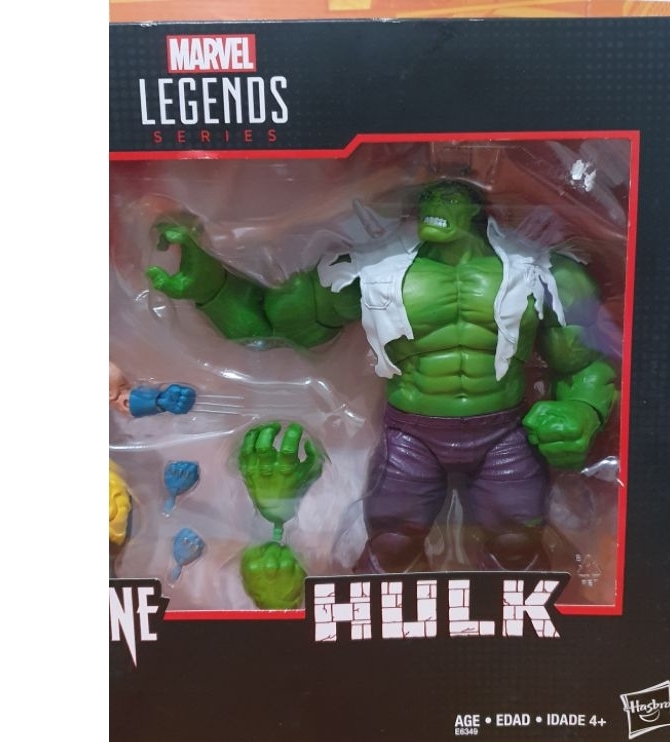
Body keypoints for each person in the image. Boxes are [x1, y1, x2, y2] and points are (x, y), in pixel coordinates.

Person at [146, 179, 618, 575]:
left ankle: (529, 634)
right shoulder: (369, 271)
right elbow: (274, 321)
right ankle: (376, 639)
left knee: (517, 544)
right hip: (414, 435)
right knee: (391, 546)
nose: (441, 202)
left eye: (454, 194)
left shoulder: (541, 272)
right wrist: (213, 286)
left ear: (477, 206)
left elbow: (584, 361)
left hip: (503, 433)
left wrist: (583, 410)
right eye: (434, 194)